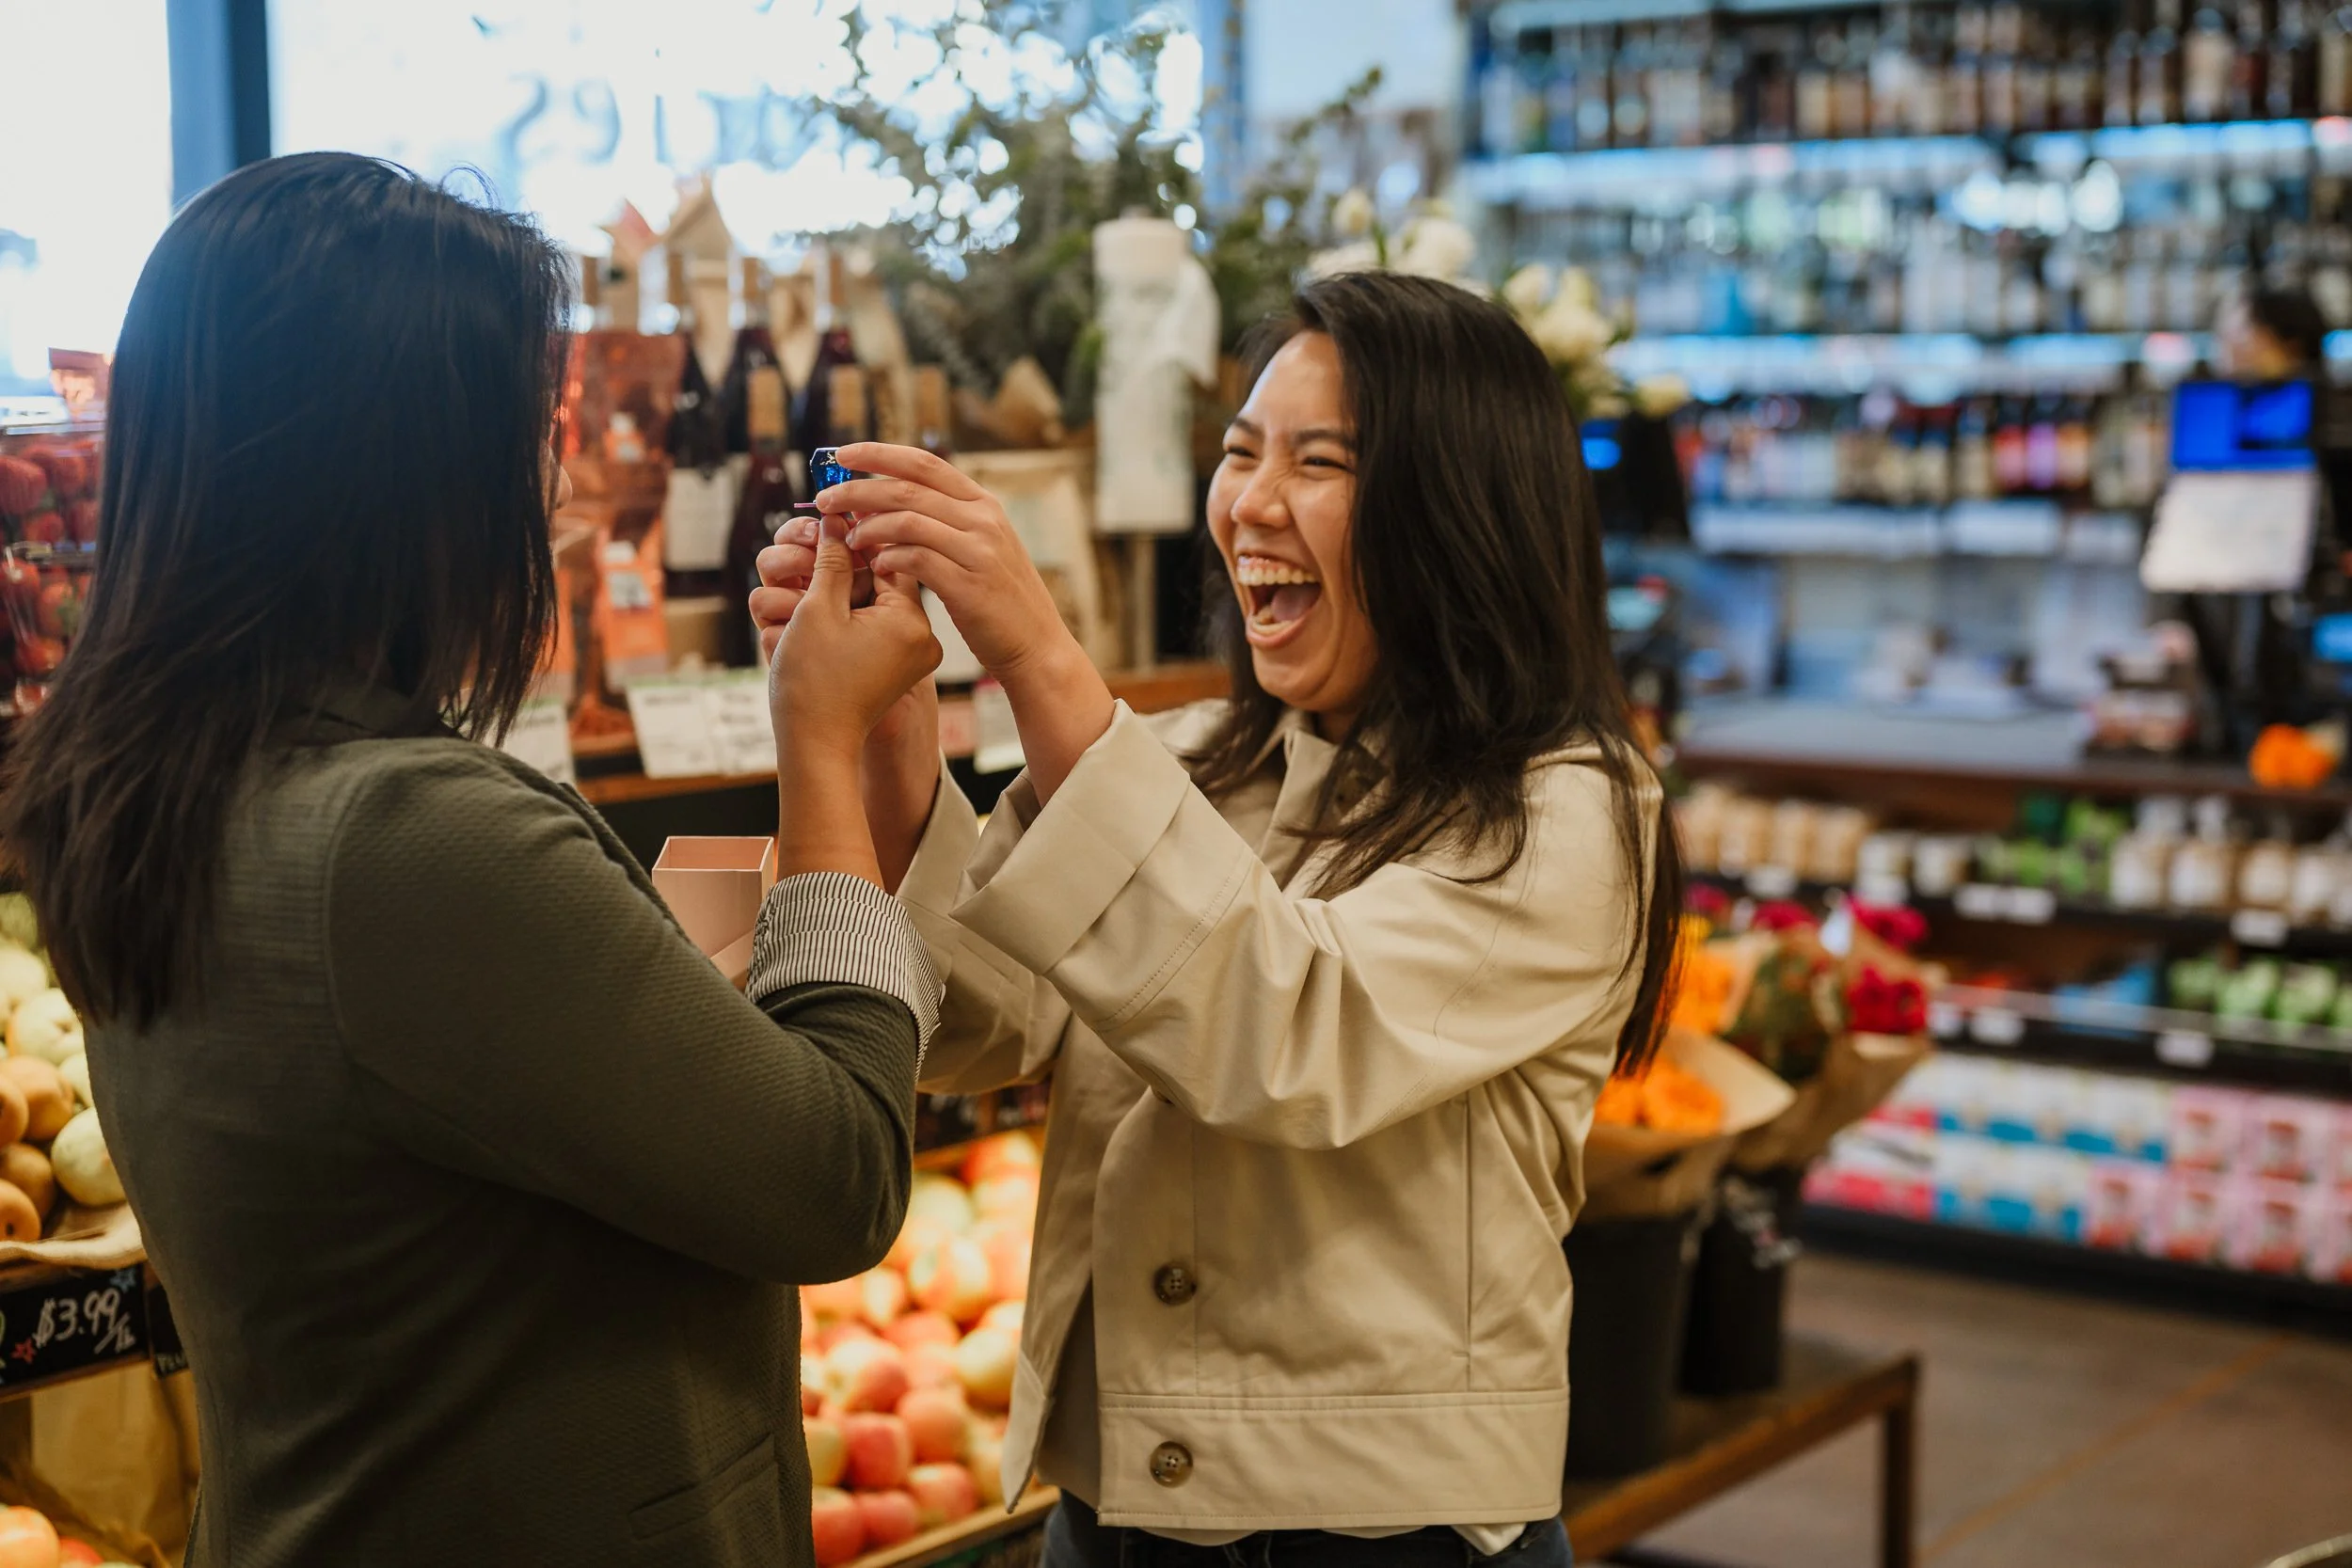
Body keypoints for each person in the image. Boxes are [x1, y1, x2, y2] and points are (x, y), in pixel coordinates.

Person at [0, 153, 942, 1568]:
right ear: (408, 485)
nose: (550, 491)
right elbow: (836, 1177)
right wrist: (820, 745)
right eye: (523, 439)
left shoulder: (147, 790)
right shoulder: (405, 841)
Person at [755, 271, 1683, 1566]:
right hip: (1110, 1507)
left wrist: (1037, 654)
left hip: (1392, 1536)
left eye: (1320, 461)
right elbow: (977, 1026)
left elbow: (1284, 1030)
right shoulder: (1198, 755)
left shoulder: (1567, 809)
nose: (1250, 501)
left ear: (1463, 513)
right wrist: (890, 733)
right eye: (1241, 452)